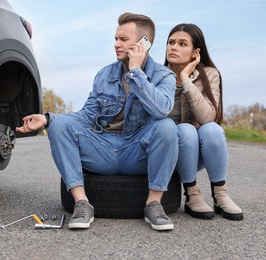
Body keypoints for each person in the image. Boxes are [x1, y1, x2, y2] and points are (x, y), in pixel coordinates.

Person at [16, 12, 178, 231]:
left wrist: (136, 72)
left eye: (123, 39)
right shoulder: (104, 74)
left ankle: (154, 204)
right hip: (103, 149)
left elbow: (161, 110)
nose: (116, 44)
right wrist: (46, 119)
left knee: (167, 127)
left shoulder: (164, 75)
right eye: (115, 39)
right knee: (60, 124)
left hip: (137, 152)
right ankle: (82, 203)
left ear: (144, 44)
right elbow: (86, 116)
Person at [164, 23, 243, 220]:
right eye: (171, 42)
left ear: (195, 52)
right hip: (169, 151)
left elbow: (208, 117)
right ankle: (192, 194)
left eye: (182, 44)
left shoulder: (210, 74)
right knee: (185, 130)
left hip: (196, 151)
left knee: (212, 130)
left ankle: (220, 195)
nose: (174, 47)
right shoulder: (157, 76)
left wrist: (186, 80)